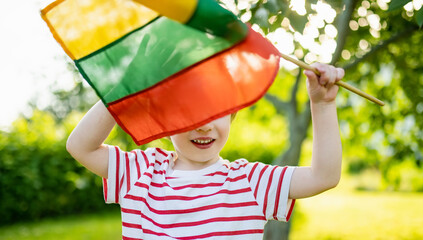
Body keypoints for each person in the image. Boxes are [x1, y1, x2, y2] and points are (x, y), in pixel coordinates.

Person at [66, 63, 344, 239]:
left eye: (216, 112)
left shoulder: (249, 182)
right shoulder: (141, 172)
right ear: (165, 120)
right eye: (188, 113)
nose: (203, 127)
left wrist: (322, 106)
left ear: (232, 115)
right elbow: (80, 146)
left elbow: (324, 176)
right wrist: (124, 89)